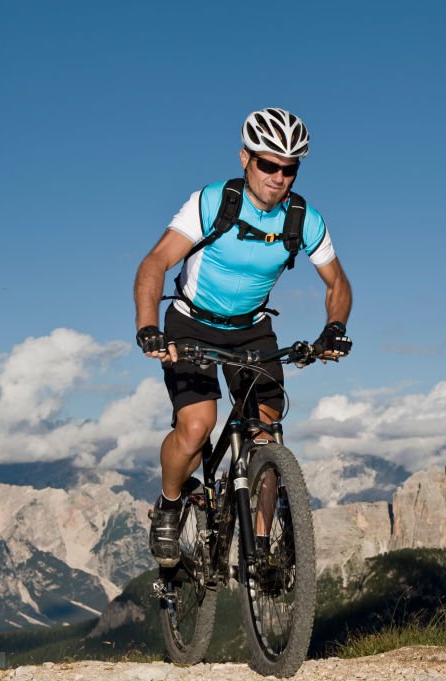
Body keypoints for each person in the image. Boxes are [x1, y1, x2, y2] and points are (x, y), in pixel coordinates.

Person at [133, 107, 352, 567]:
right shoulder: (212, 202)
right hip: (190, 322)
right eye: (267, 164)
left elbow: (337, 284)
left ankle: (261, 552)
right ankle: (171, 505)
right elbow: (155, 263)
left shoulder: (304, 219)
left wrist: (334, 328)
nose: (277, 177)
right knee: (195, 427)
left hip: (251, 329)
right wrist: (148, 327)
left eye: (288, 168)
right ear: (245, 159)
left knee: (267, 437)